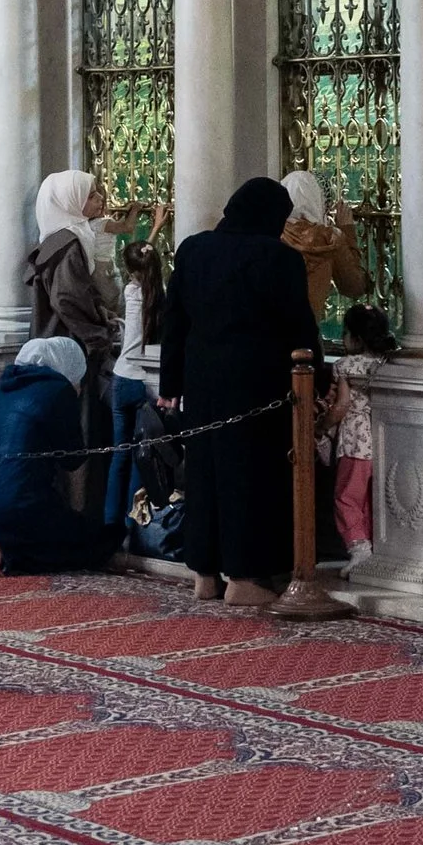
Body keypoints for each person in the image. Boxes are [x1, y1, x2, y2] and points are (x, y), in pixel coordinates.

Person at [160, 177, 321, 607]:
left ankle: (205, 574)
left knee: (205, 473)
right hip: (255, 386)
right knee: (247, 479)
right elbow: (299, 329)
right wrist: (316, 381)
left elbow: (173, 321)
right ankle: (245, 577)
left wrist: (170, 385)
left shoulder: (193, 249)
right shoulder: (278, 257)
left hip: (201, 382)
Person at [0, 334, 120, 574]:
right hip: (15, 506)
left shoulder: (2, 388)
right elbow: (71, 459)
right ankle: (6, 556)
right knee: (96, 539)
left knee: (17, 503)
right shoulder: (58, 391)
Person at [107, 220, 166, 539]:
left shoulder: (130, 292)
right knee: (140, 459)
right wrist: (156, 228)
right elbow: (147, 262)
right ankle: (133, 526)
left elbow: (141, 261)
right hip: (146, 383)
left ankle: (110, 523)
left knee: (119, 454)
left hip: (121, 379)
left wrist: (153, 230)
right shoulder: (160, 297)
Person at [28, 169, 120, 364]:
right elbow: (67, 298)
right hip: (67, 343)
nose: (100, 198)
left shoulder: (63, 237)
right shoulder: (67, 243)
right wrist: (96, 334)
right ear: (70, 201)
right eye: (91, 195)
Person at [327, 298, 396, 553]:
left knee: (347, 496)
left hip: (355, 442)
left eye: (345, 333)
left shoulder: (345, 365)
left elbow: (341, 406)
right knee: (372, 497)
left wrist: (321, 426)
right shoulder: (388, 364)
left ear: (355, 338)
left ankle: (358, 547)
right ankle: (375, 545)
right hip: (383, 437)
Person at [282, 171, 366, 329]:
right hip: (307, 334)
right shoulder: (330, 239)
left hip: (267, 336)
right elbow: (354, 286)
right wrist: (347, 230)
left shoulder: (271, 234)